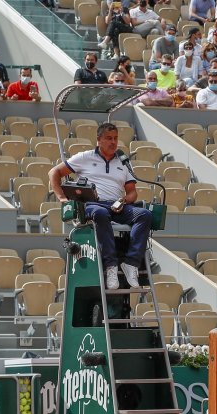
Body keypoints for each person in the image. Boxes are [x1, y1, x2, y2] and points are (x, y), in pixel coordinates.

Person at [48, 122, 151, 290]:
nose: (113, 142)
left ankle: (131, 264)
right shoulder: (85, 157)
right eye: (109, 138)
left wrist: (123, 201)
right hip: (91, 204)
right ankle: (111, 266)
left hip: (116, 205)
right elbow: (54, 172)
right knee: (101, 213)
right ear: (99, 140)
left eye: (116, 138)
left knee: (144, 215)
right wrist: (62, 198)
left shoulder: (123, 162)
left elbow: (133, 193)